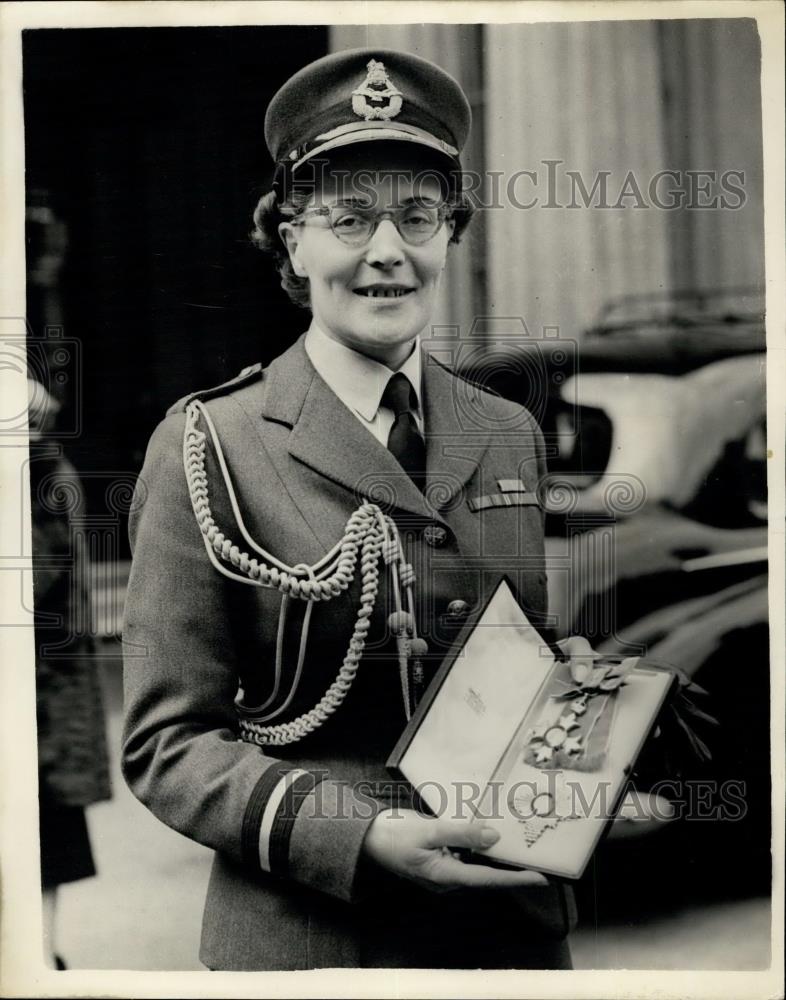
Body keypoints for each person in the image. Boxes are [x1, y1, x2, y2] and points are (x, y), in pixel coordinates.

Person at [121, 48, 662, 971]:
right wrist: (360, 837)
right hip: (316, 941)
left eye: (417, 217)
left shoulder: (503, 430)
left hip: (507, 935)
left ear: (451, 234)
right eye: (349, 218)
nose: (387, 250)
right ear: (291, 239)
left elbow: (506, 661)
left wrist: (573, 724)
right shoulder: (211, 443)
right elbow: (169, 745)